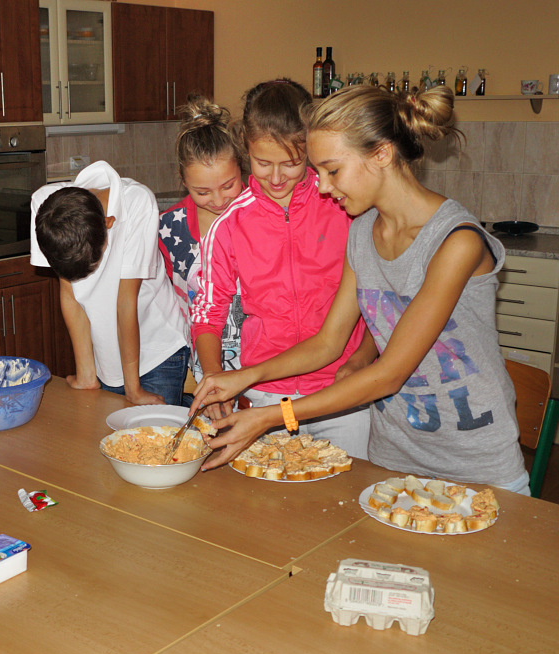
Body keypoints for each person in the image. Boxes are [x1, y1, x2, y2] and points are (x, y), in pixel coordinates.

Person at [191, 85, 528, 493]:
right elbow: (328, 343)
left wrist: (270, 417)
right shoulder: (363, 231)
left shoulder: (457, 242)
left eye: (331, 171)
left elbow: (389, 374)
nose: (322, 187)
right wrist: (242, 378)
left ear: (381, 154)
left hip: (475, 459)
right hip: (395, 452)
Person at [191, 79, 373, 458]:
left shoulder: (344, 206)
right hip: (265, 395)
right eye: (263, 163)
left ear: (311, 148)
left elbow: (378, 299)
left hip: (342, 392)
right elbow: (208, 315)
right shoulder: (229, 224)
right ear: (246, 148)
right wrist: (215, 379)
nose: (275, 179)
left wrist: (361, 359)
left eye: (291, 164)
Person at [31, 161, 190, 406]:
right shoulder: (46, 208)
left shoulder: (137, 202)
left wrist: (133, 389)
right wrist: (86, 374)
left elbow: (125, 302)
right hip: (106, 357)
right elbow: (70, 293)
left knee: (156, 430)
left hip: (156, 349)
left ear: (108, 224)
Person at [158, 97, 247, 380]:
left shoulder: (261, 214)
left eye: (228, 185)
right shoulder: (169, 228)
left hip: (263, 365)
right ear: (183, 180)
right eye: (203, 192)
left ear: (241, 168)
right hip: (199, 366)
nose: (218, 200)